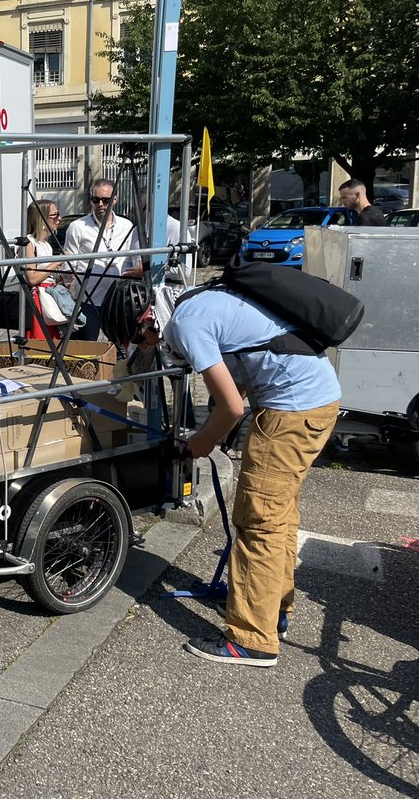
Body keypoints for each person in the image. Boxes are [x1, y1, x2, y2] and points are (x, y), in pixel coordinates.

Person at [104, 280, 340, 667]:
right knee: (278, 516)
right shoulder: (200, 300)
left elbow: (230, 407)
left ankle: (251, 639)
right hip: (313, 400)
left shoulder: (185, 323)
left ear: (146, 318)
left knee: (258, 520)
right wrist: (214, 431)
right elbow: (241, 376)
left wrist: (201, 443)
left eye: (138, 338)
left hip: (291, 410)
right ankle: (273, 611)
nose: (145, 347)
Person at [62, 178, 137, 340]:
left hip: (117, 299)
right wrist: (70, 291)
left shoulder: (127, 226)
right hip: (87, 298)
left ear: (115, 199)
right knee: (85, 346)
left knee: (120, 346)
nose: (100, 204)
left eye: (106, 200)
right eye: (96, 200)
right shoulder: (78, 227)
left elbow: (132, 259)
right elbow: (69, 263)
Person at [123, 187, 194, 285]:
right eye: (133, 209)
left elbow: (185, 270)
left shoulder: (176, 228)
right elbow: (128, 260)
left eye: (138, 210)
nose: (135, 214)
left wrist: (147, 272)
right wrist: (127, 273)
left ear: (149, 207)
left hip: (166, 293)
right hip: (139, 293)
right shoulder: (136, 231)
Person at [22, 200, 67, 342]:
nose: (59, 219)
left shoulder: (46, 244)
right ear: (42, 218)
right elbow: (32, 278)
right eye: (55, 215)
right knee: (41, 340)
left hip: (48, 296)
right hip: (38, 300)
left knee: (53, 339)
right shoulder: (29, 243)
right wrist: (55, 263)